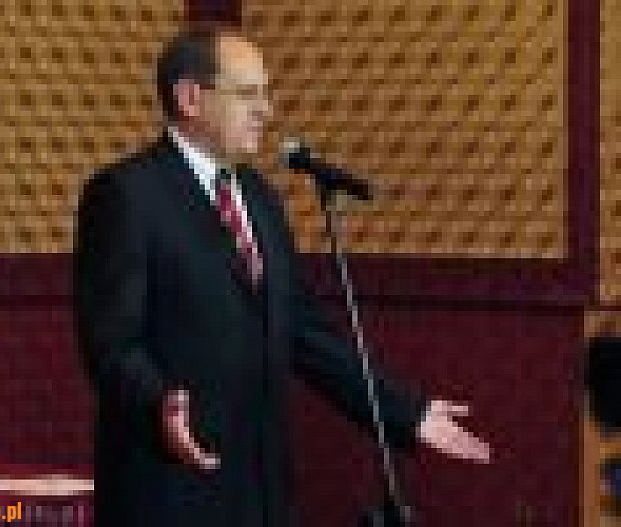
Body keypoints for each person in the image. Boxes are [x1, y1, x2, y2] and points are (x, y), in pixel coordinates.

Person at [73, 25, 491, 527]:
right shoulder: (126, 195)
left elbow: (303, 332)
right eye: (248, 94)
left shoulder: (260, 196)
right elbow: (113, 343)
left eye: (266, 94)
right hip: (170, 489)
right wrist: (156, 406)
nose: (266, 110)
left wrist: (407, 412)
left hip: (262, 492)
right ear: (190, 98)